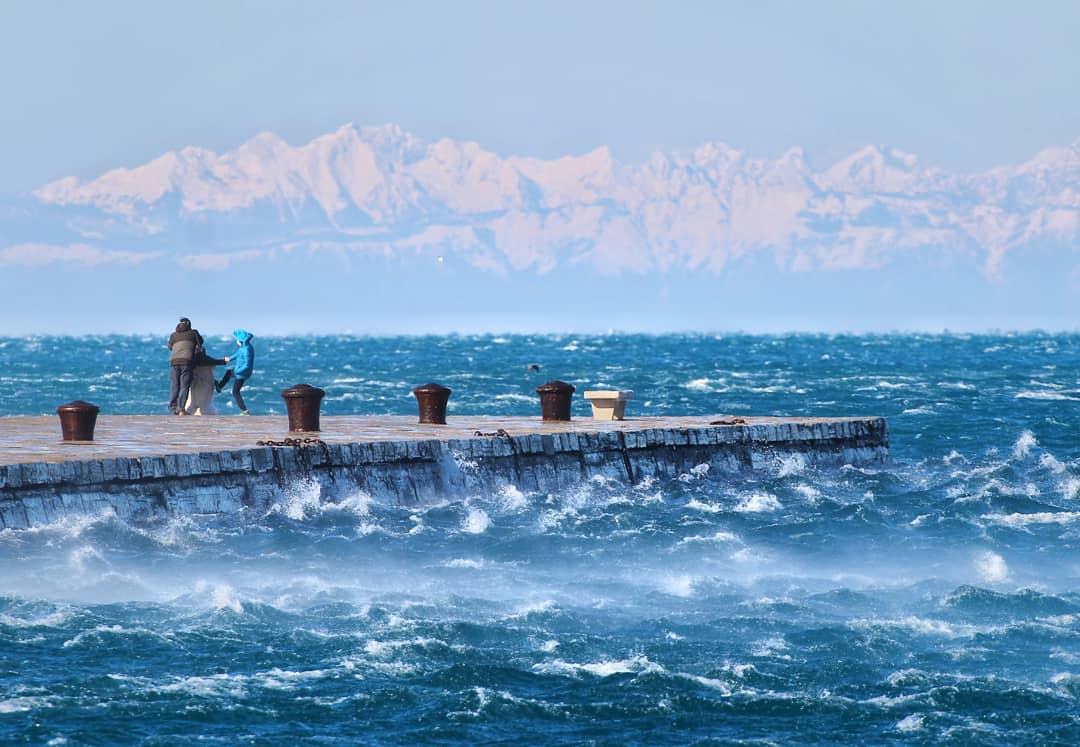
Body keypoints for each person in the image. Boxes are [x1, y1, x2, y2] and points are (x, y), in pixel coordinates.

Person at [167, 317, 203, 416]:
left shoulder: (173, 335)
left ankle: (172, 409)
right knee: (184, 386)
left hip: (174, 362)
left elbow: (170, 347)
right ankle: (181, 409)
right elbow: (200, 343)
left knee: (175, 385)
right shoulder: (193, 333)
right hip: (187, 362)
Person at [216, 329, 255, 415]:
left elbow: (247, 365)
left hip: (242, 373)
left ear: (241, 340)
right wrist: (229, 359)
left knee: (235, 392)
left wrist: (237, 371)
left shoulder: (247, 350)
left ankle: (245, 411)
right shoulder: (243, 347)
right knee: (229, 372)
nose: (236, 341)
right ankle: (219, 386)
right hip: (239, 370)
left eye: (237, 339)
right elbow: (237, 354)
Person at [184, 346, 228, 416]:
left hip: (194, 382)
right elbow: (213, 364)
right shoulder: (209, 362)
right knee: (205, 404)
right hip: (207, 383)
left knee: (191, 404)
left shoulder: (192, 361)